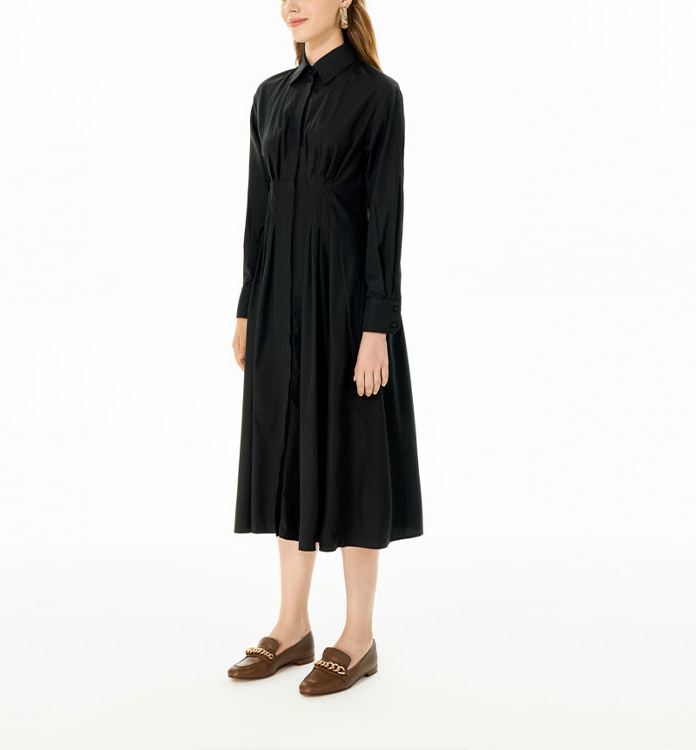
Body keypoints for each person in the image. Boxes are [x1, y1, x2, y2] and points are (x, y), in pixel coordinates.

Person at [229, 0, 423, 696]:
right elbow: (258, 210)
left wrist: (378, 327)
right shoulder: (269, 96)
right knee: (287, 451)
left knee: (356, 454)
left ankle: (357, 636)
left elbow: (385, 216)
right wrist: (247, 306)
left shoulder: (377, 95)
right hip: (277, 303)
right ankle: (291, 627)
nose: (292, 4)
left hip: (345, 307)